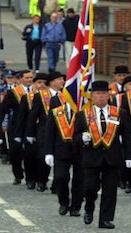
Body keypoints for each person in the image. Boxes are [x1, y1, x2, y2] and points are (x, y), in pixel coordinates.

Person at [74, 80, 131, 229]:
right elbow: (75, 136)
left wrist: (129, 156)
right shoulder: (83, 114)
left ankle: (105, 219)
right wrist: (81, 138)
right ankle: (89, 207)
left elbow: (127, 136)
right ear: (92, 96)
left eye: (103, 94)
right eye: (97, 94)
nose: (100, 97)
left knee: (110, 190)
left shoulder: (120, 113)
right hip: (91, 157)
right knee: (90, 187)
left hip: (112, 157)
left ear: (108, 95)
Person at [44, 88, 82, 217]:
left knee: (80, 179)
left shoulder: (84, 111)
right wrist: (48, 152)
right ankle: (63, 202)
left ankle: (76, 206)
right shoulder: (56, 112)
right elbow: (49, 131)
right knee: (60, 177)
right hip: (61, 149)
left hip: (81, 150)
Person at [26, 71, 65, 192]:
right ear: (52, 82)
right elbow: (33, 115)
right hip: (44, 130)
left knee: (60, 158)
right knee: (43, 157)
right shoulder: (41, 95)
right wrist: (30, 133)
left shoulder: (66, 96)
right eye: (59, 79)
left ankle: (56, 184)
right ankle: (42, 180)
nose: (62, 81)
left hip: (62, 131)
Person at [2, 70, 34, 185]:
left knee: (29, 153)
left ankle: (30, 178)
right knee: (14, 152)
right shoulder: (13, 92)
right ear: (20, 79)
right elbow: (4, 108)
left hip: (31, 125)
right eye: (27, 78)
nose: (29, 80)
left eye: (31, 78)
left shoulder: (37, 92)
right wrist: (3, 123)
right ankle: (18, 174)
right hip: (16, 125)